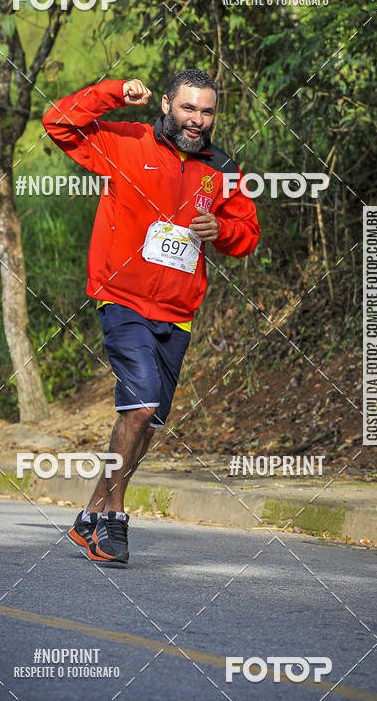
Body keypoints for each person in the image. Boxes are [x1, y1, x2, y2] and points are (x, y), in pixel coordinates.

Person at [42, 70, 260, 563]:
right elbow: (57, 122)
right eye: (188, 108)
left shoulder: (221, 166)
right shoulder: (125, 142)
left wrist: (220, 228)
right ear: (165, 104)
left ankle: (91, 514)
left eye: (206, 111)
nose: (197, 120)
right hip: (121, 298)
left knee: (150, 423)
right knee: (138, 405)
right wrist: (114, 92)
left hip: (177, 313)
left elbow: (248, 233)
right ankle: (115, 519)